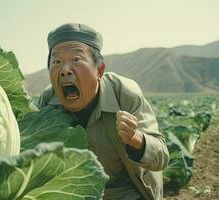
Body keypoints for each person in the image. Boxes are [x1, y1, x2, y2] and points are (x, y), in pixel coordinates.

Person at [38, 23, 170, 200]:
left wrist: (136, 139)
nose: (65, 70)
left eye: (76, 60)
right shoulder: (47, 103)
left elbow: (162, 157)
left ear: (99, 70)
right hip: (74, 193)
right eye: (56, 62)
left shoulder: (124, 94)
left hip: (125, 193)